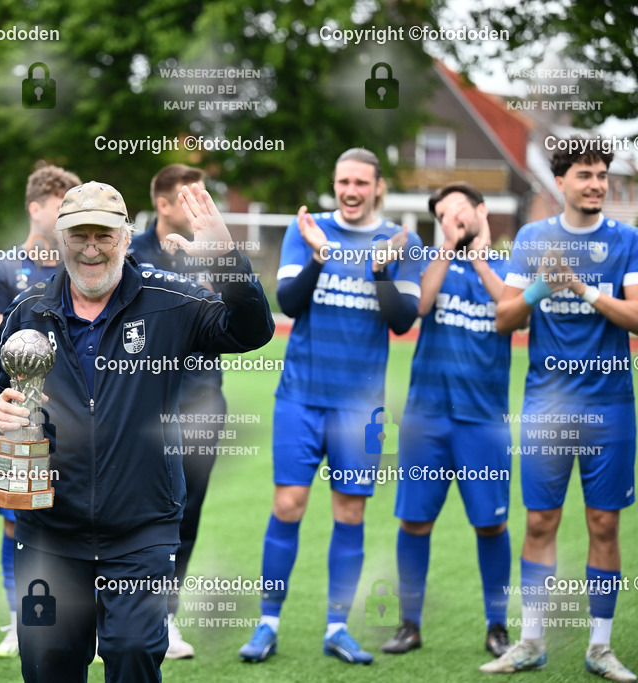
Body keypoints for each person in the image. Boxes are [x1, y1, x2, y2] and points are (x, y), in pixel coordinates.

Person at [0, 181, 274, 682]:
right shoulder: (28, 310)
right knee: (49, 666)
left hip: (141, 528)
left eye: (104, 235)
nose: (91, 248)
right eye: (78, 235)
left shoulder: (168, 301)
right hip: (50, 531)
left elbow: (251, 331)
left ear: (125, 236)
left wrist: (226, 258)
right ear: (59, 237)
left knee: (134, 654)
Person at [239, 148, 423, 665]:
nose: (351, 190)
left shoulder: (400, 242)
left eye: (361, 182)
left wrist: (383, 272)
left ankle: (337, 628)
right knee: (288, 505)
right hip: (301, 395)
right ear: (335, 183)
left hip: (361, 410)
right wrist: (320, 257)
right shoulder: (308, 229)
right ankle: (267, 622)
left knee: (350, 510)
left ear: (378, 187)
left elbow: (403, 321)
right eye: (343, 180)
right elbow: (291, 303)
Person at [488, 140, 637, 682]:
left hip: (610, 406)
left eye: (602, 175)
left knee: (603, 524)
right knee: (540, 520)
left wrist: (580, 288)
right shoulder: (532, 239)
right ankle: (530, 642)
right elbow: (505, 320)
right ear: (562, 182)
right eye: (585, 175)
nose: (596, 184)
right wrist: (539, 288)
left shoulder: (626, 241)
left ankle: (600, 647)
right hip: (547, 406)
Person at [380, 182, 512, 660]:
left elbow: (511, 314)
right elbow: (418, 307)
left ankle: (497, 627)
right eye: (441, 214)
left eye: (458, 210)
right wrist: (448, 248)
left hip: (484, 422)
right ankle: (409, 624)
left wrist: (478, 257)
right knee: (414, 521)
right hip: (427, 419)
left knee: (491, 526)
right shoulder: (434, 262)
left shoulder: (509, 265)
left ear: (482, 211)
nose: (450, 218)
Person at [0, 162, 80, 658]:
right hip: (24, 413)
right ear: (35, 207)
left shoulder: (80, 266)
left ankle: (87, 622)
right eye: (60, 208)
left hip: (80, 418)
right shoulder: (3, 270)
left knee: (82, 517)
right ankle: (19, 617)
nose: (68, 219)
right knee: (16, 519)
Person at [127, 163, 226, 659]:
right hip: (142, 409)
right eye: (192, 199)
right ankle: (120, 614)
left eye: (206, 198)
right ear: (163, 204)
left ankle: (166, 618)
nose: (202, 209)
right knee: (132, 512)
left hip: (204, 405)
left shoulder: (214, 254)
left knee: (186, 514)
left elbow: (246, 322)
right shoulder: (127, 255)